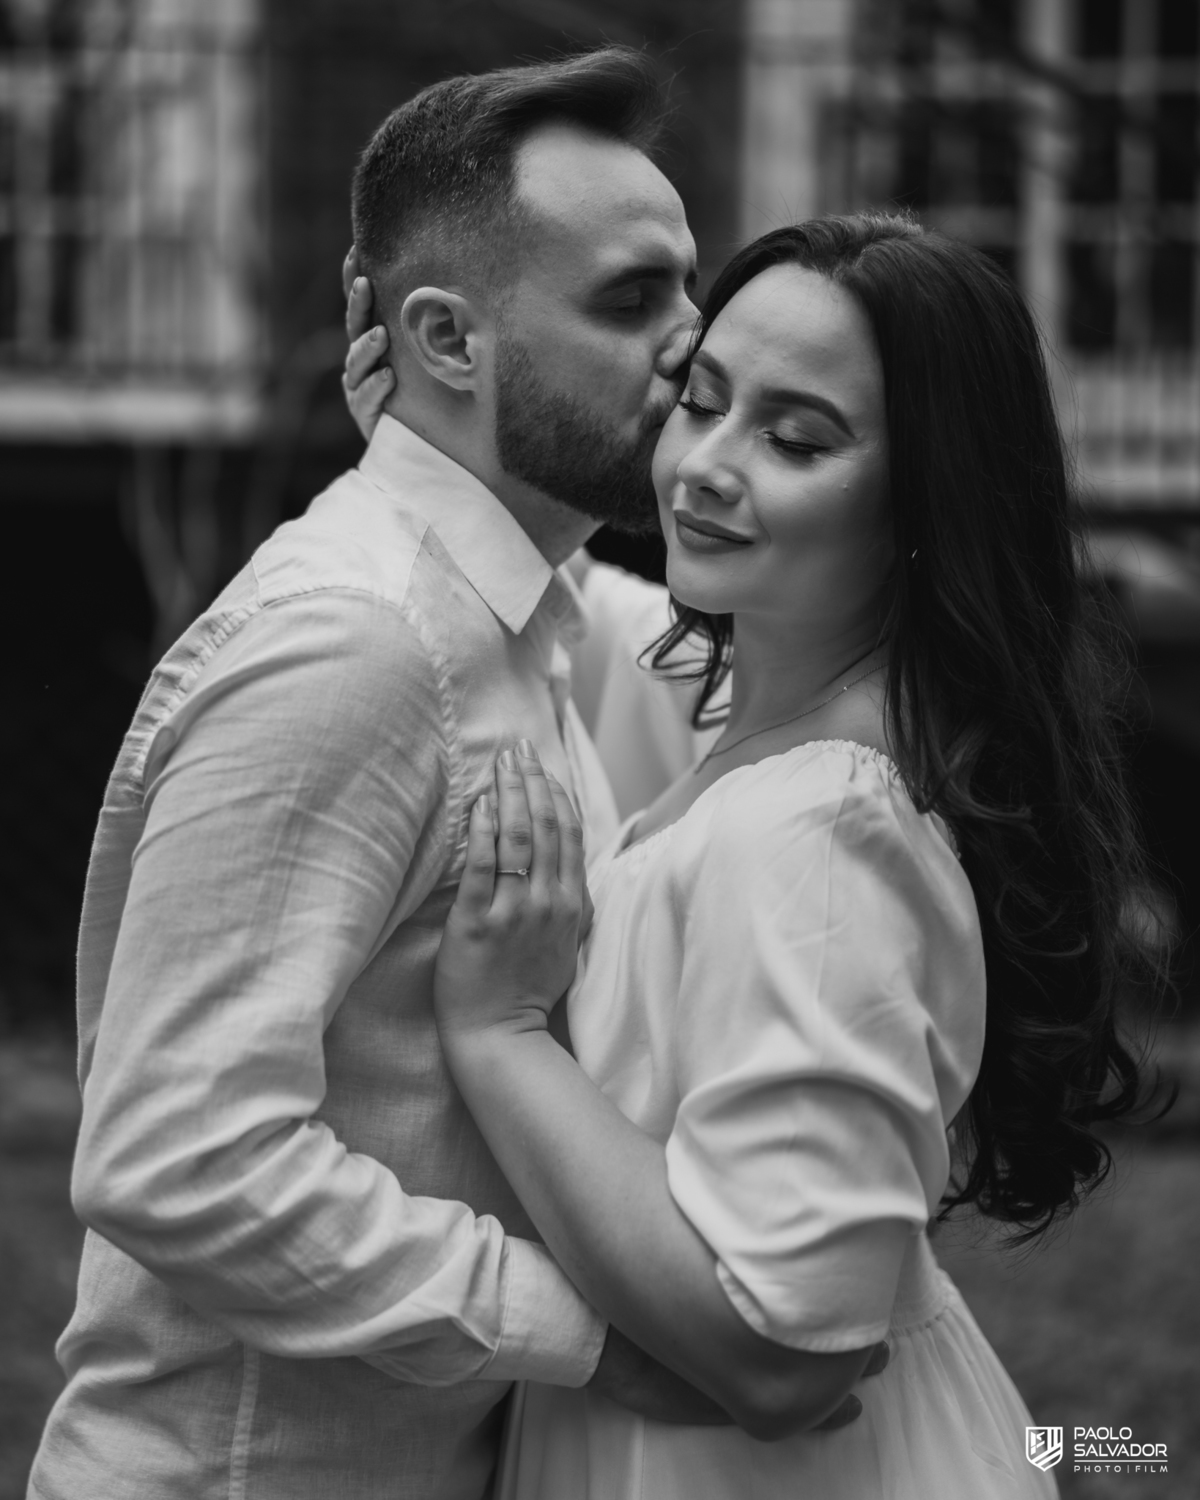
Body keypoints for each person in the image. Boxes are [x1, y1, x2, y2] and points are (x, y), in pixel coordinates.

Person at [33, 49, 891, 1500]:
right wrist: (588, 1336)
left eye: (689, 287)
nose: (694, 345)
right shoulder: (354, 652)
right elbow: (179, 1158)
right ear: (444, 339)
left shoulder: (521, 620)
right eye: (631, 301)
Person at [390, 214, 1157, 1497]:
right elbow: (544, 616)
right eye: (703, 399)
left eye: (797, 438)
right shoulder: (776, 723)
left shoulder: (823, 826)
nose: (706, 464)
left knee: (1126, 1449)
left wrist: (501, 1038)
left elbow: (785, 1352)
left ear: (927, 497)